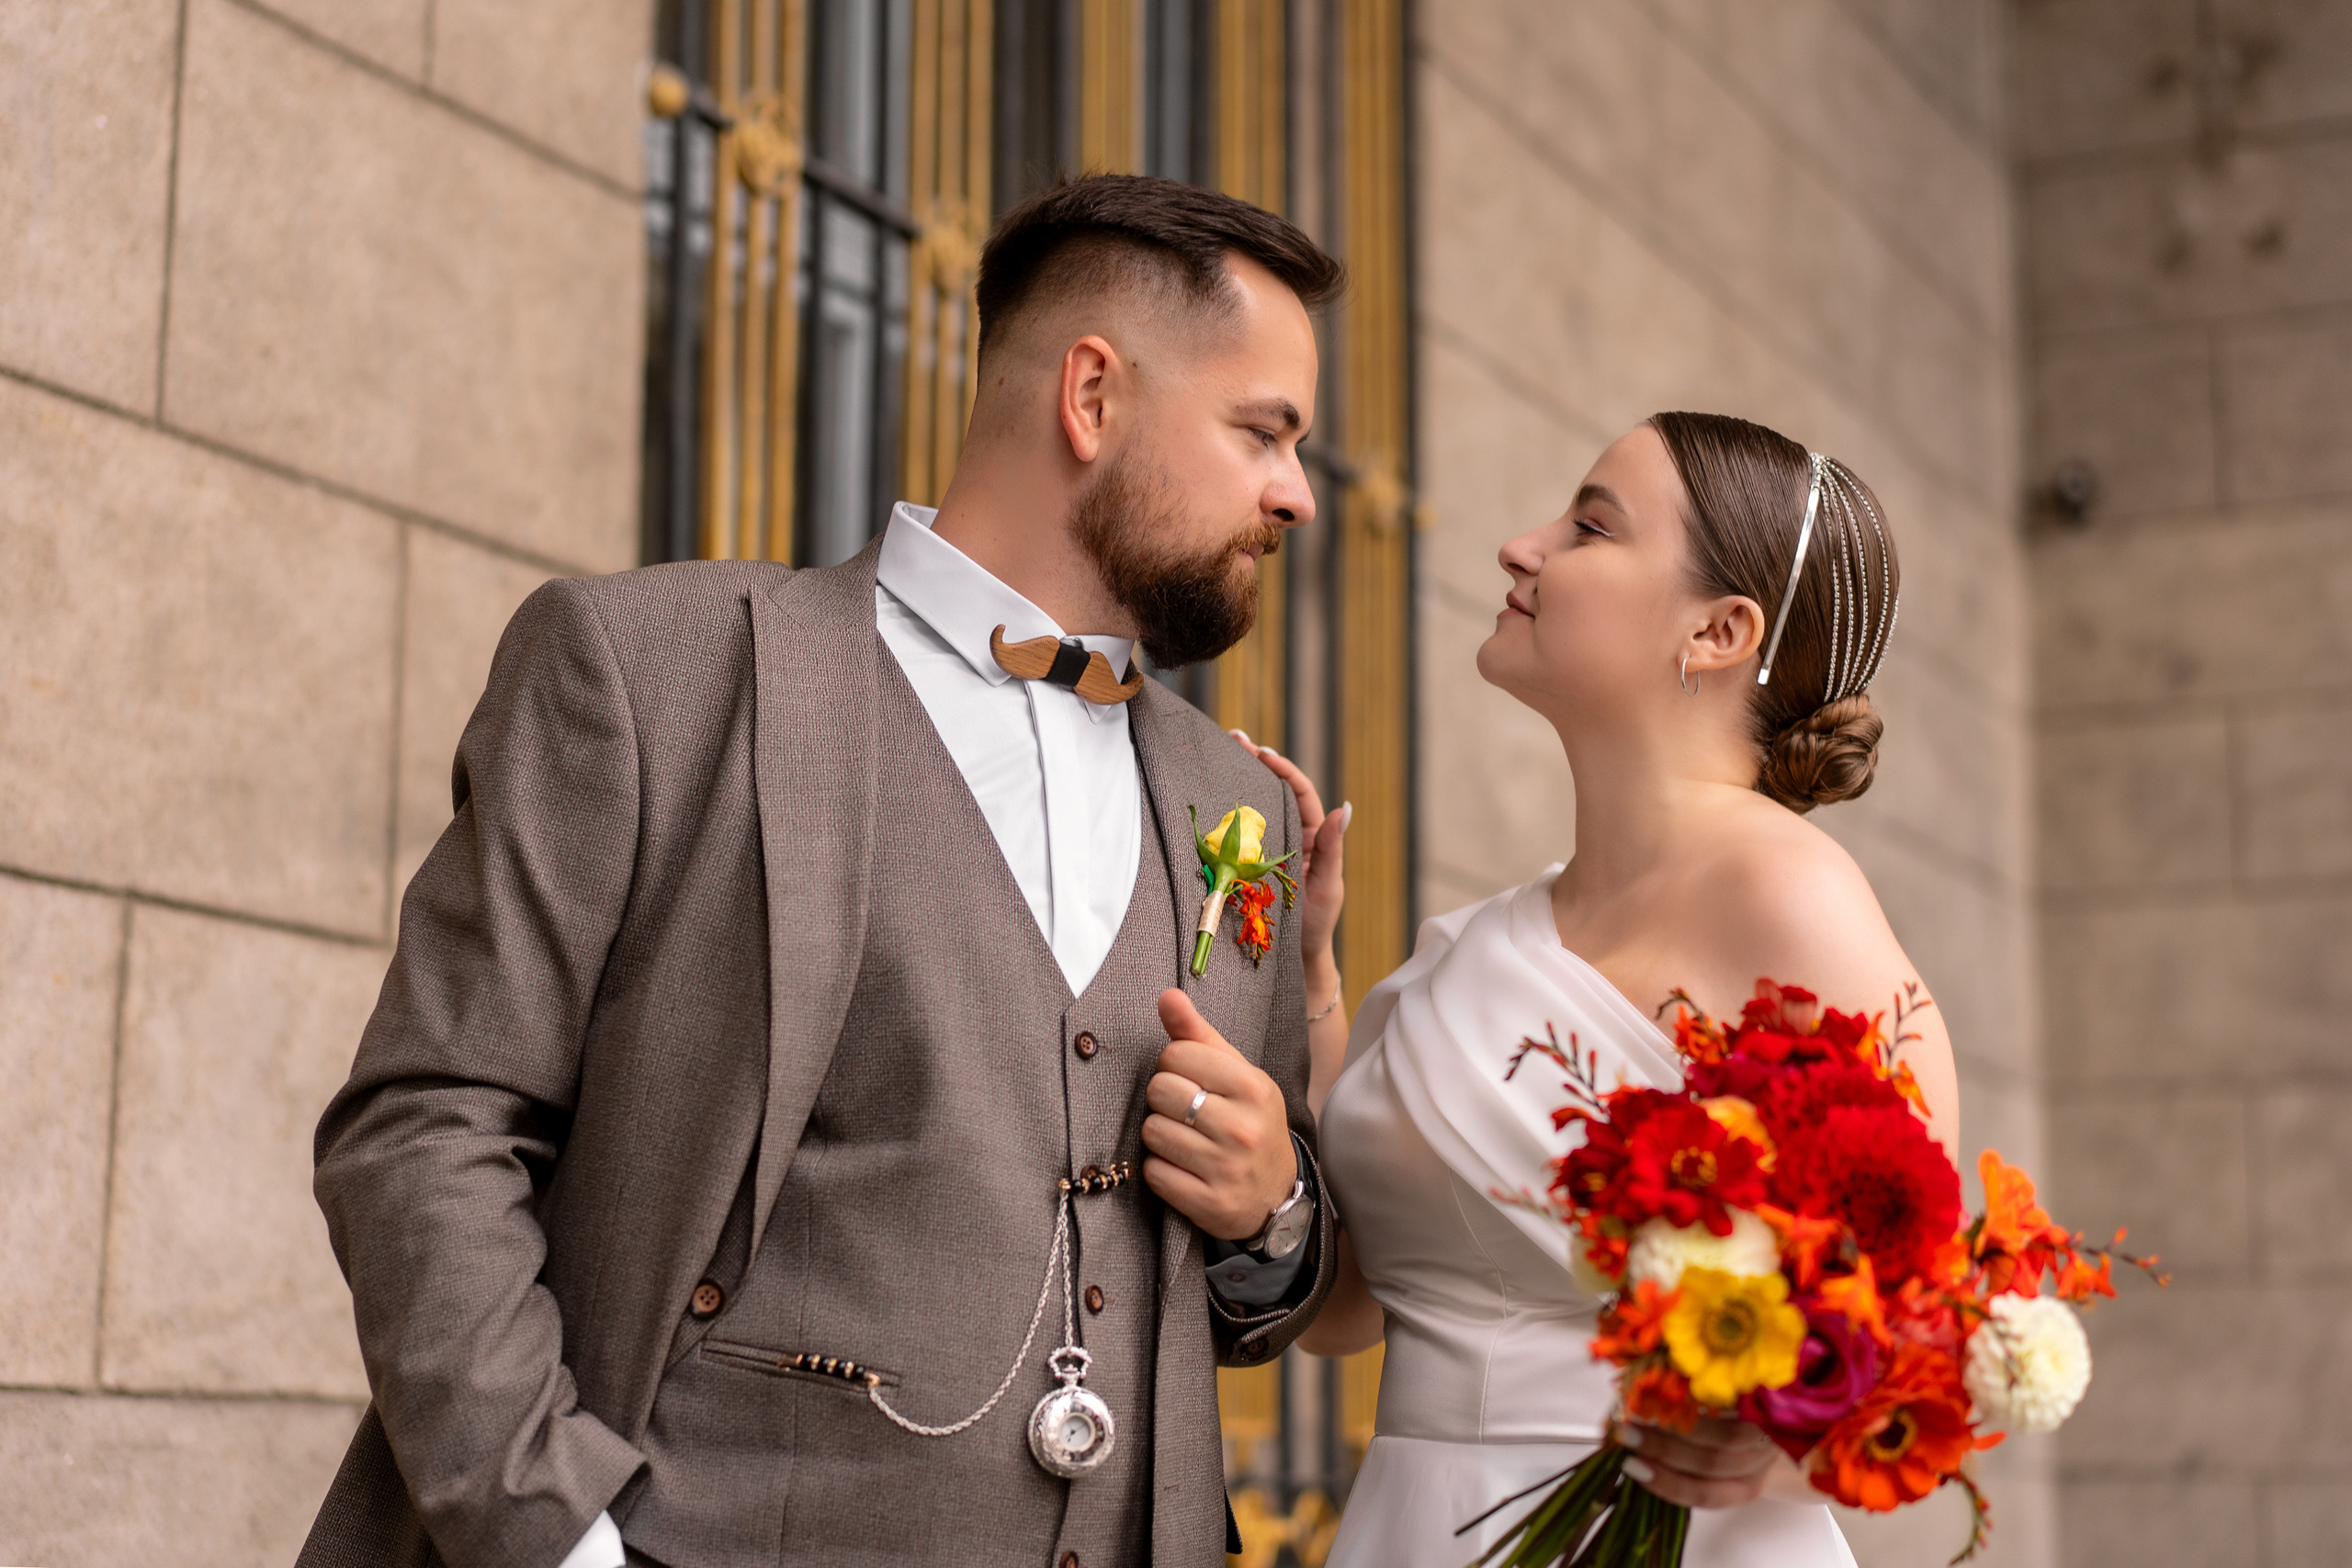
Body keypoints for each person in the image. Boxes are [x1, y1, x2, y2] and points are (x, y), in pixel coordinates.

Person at [296, 175, 1356, 1568]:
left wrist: (1274, 1206)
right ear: (1091, 397)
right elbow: (426, 1126)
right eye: (1263, 432)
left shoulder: (1235, 806)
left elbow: (1242, 1303)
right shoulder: (647, 673)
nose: (1295, 493)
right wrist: (561, 1539)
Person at [1253, 412, 1960, 1566]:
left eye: (1589, 526)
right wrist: (1313, 985)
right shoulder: (1473, 945)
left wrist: (1772, 1449)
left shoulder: (1793, 902)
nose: (1520, 548)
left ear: (1718, 630)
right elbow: (1341, 1316)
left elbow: (1921, 1328)